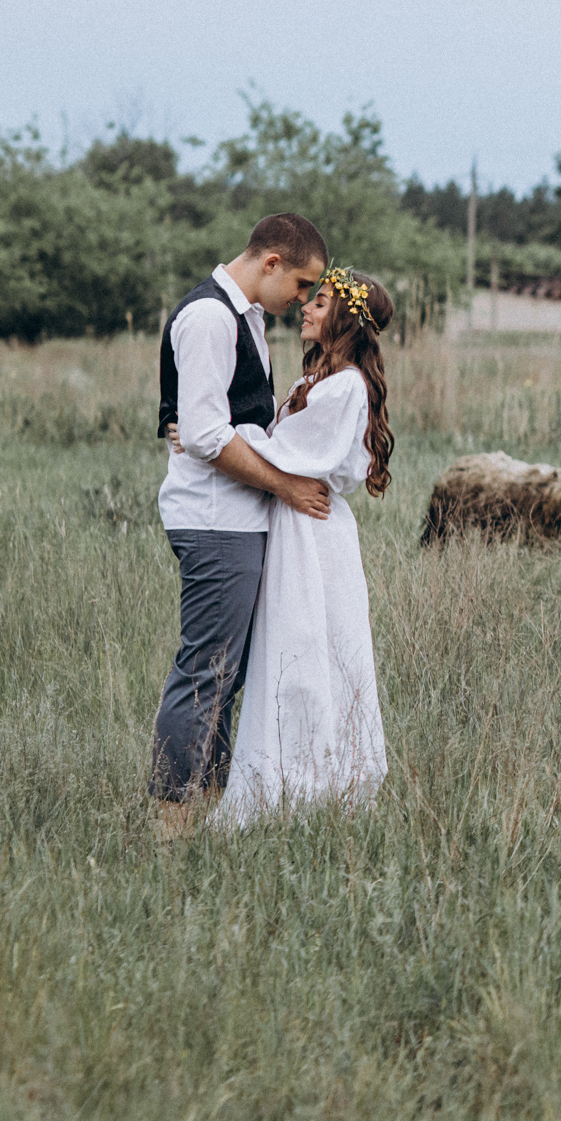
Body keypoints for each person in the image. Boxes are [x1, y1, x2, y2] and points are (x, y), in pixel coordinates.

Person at [152, 215, 332, 839]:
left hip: (237, 518)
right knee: (206, 670)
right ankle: (172, 823)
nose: (304, 300)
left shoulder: (245, 317)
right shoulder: (210, 316)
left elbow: (219, 419)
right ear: (272, 261)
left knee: (227, 674)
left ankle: (210, 808)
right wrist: (285, 485)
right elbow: (205, 435)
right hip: (214, 519)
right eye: (303, 284)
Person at [217, 267, 396, 827]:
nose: (307, 309)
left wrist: (218, 435)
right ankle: (283, 779)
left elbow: (289, 454)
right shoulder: (313, 383)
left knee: (311, 647)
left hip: (312, 531)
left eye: (319, 302)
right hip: (293, 519)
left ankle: (316, 781)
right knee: (290, 647)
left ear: (344, 319)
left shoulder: (345, 387)